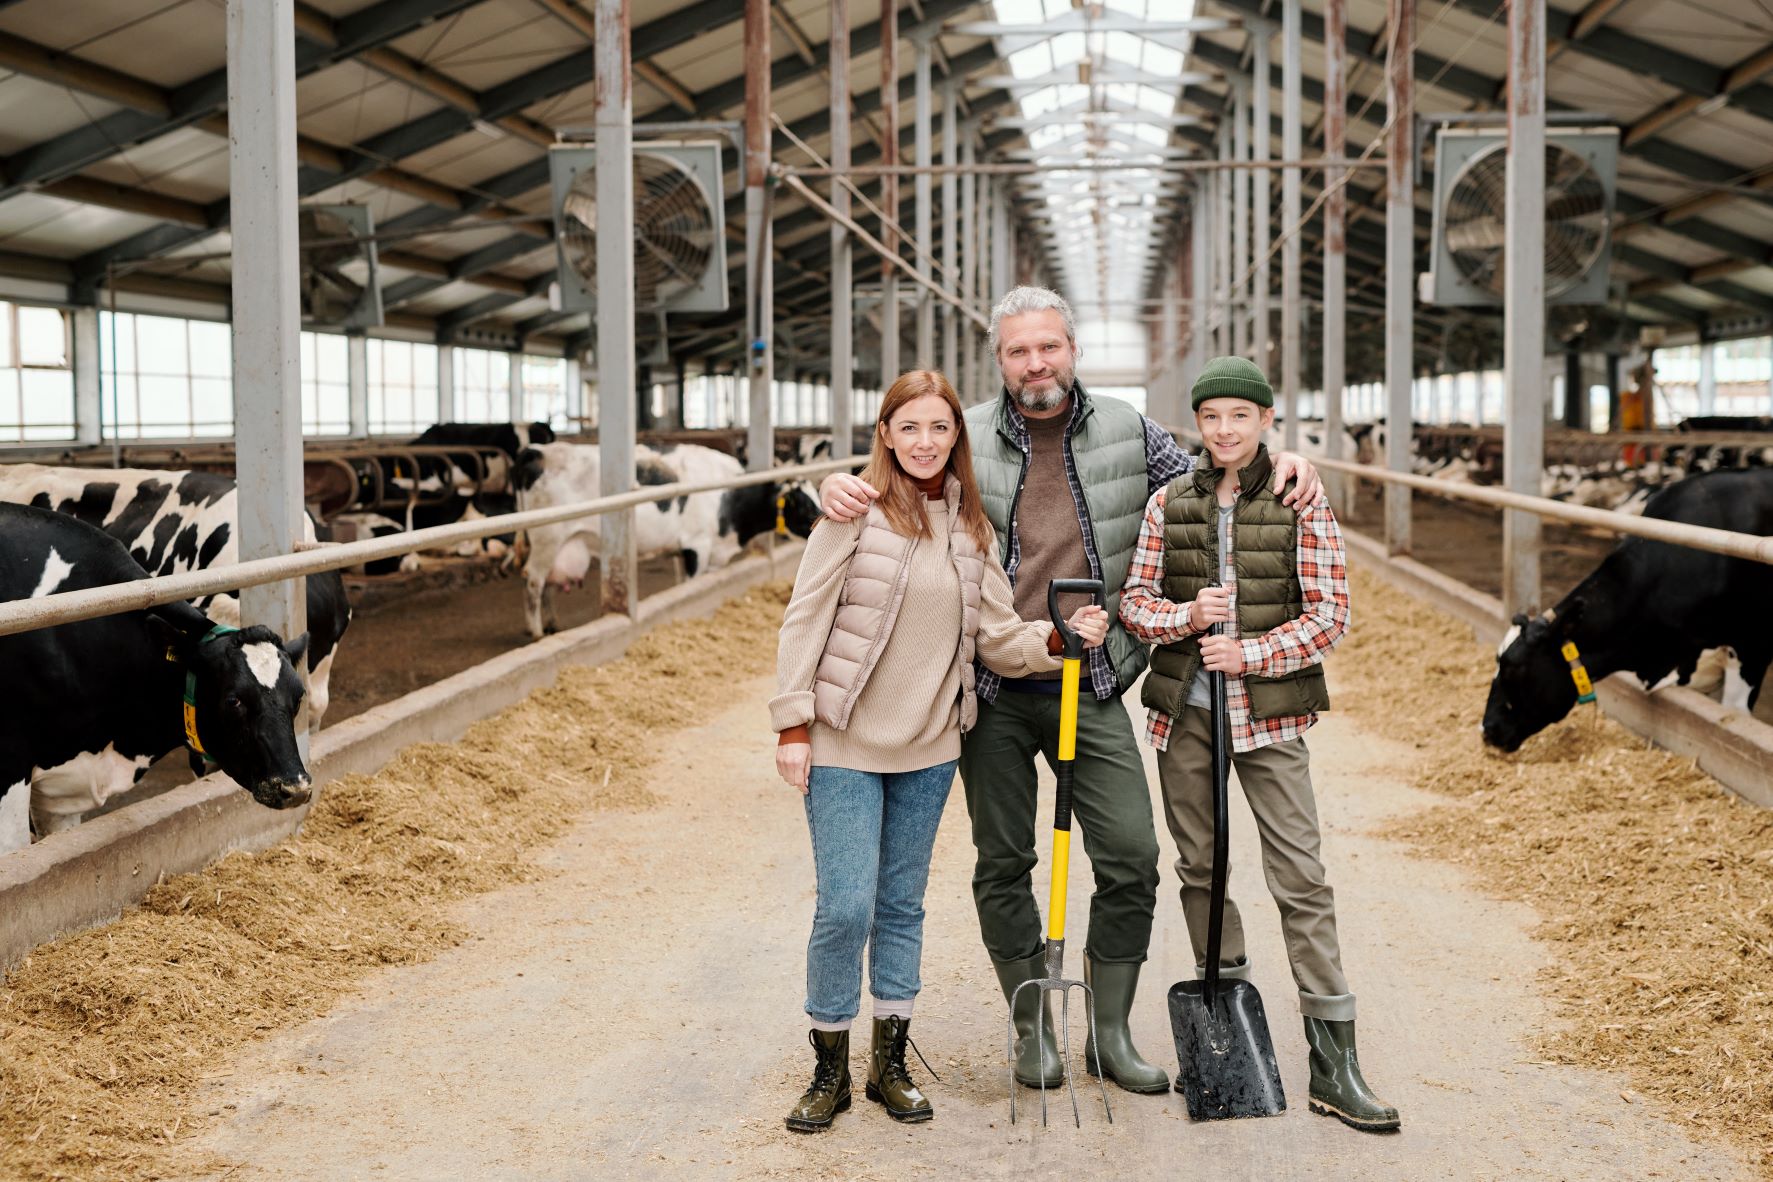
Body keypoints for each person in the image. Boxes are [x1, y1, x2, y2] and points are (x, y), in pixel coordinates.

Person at [820, 287, 1322, 1096]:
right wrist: (835, 487)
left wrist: (1286, 459)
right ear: (999, 360)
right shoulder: (966, 435)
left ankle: (1109, 1032)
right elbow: (898, 473)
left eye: (1047, 346)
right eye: (1018, 351)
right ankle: (1030, 1028)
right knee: (1003, 858)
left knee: (1130, 853)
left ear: (1072, 349)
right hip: (988, 683)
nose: (1035, 363)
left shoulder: (1128, 429)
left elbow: (1214, 476)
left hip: (1088, 682)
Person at [772, 369, 1110, 1133]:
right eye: (910, 427)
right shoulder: (850, 514)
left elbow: (995, 636)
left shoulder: (967, 528)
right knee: (845, 906)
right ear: (885, 434)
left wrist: (1055, 640)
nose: (925, 442)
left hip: (929, 749)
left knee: (899, 905)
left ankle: (889, 1063)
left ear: (956, 437)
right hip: (844, 741)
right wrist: (793, 725)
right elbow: (804, 619)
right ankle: (827, 1064)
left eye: (940, 428)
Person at [1118, 354, 1399, 1132]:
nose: (1224, 430)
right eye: (1210, 418)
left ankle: (1333, 1059)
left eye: (1239, 416)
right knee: (1200, 867)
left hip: (1270, 718)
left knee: (1300, 874)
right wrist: (1188, 619)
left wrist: (1251, 651)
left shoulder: (1299, 500)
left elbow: (1331, 614)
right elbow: (1137, 604)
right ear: (1197, 426)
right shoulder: (1168, 501)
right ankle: (1224, 1038)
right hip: (1185, 715)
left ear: (1265, 421)